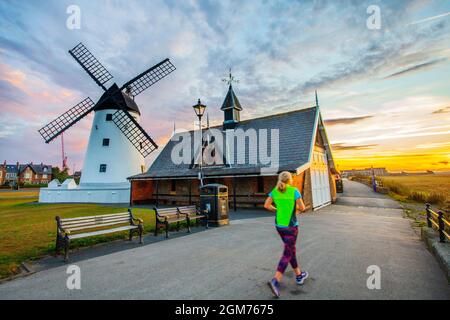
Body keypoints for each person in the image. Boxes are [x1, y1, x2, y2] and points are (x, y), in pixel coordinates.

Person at [264, 171, 308, 298]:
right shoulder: (294, 191)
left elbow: (266, 205)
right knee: (287, 253)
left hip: (279, 226)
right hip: (291, 227)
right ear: (290, 180)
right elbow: (303, 207)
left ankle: (299, 275)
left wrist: (277, 209)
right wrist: (295, 209)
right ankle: (275, 280)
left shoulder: (275, 191)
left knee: (290, 250)